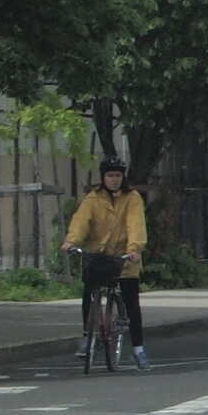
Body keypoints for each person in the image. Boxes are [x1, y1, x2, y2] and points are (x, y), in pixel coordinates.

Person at [62, 156, 149, 370]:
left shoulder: (132, 198)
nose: (114, 180)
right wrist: (71, 242)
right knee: (89, 292)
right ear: (103, 177)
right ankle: (87, 337)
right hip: (99, 256)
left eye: (118, 175)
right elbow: (81, 222)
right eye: (110, 175)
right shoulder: (93, 198)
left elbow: (135, 224)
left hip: (124, 257)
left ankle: (139, 349)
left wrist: (134, 248)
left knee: (131, 303)